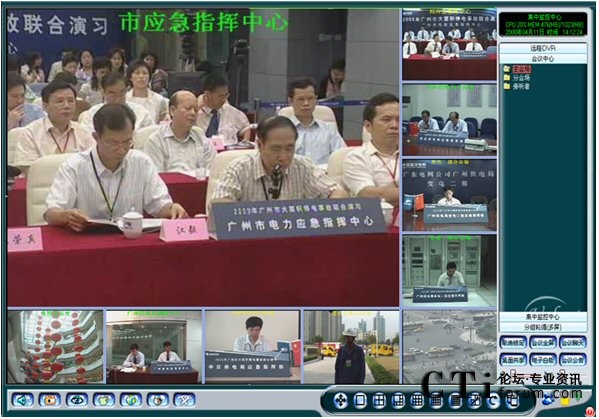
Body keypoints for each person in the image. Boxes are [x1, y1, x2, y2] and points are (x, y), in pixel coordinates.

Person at [44, 104, 188, 232]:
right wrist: (67, 216)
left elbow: (159, 204)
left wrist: (172, 209)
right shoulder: (74, 166)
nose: (121, 149)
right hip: (86, 241)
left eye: (127, 142)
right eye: (112, 143)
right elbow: (51, 212)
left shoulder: (141, 162)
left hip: (129, 239)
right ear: (96, 137)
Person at [211, 116, 347, 204]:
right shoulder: (239, 168)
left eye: (289, 148)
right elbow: (219, 203)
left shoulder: (302, 166)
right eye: (276, 149)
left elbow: (337, 193)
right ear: (260, 145)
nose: (283, 157)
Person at [14, 80, 95, 174]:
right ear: (45, 106)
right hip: (43, 182)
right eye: (59, 101)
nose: (66, 106)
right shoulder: (29, 133)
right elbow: (29, 169)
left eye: (70, 101)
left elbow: (93, 165)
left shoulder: (83, 132)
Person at [343, 93, 399, 207]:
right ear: (368, 126)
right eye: (386, 120)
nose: (395, 125)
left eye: (399, 120)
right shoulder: (356, 158)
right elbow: (369, 195)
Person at [145, 90, 216, 173]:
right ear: (172, 110)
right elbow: (155, 177)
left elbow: (212, 174)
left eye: (196, 110)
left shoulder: (202, 140)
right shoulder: (156, 141)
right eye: (188, 108)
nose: (193, 113)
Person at [286, 78, 346, 166]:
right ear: (290, 101)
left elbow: (342, 156)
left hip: (325, 173)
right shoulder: (282, 131)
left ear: (316, 99)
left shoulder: (329, 129)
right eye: (301, 99)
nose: (306, 103)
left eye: (310, 98)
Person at [79, 72, 154, 132]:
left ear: (126, 90)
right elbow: (86, 139)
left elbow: (151, 136)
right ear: (103, 92)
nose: (117, 100)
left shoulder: (141, 113)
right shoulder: (92, 114)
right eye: (112, 94)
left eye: (121, 93)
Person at [196, 73, 251, 144]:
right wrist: (197, 107)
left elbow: (246, 127)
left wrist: (245, 141)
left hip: (230, 149)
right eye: (221, 96)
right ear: (208, 94)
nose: (224, 99)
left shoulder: (230, 111)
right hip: (204, 149)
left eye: (226, 95)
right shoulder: (196, 114)